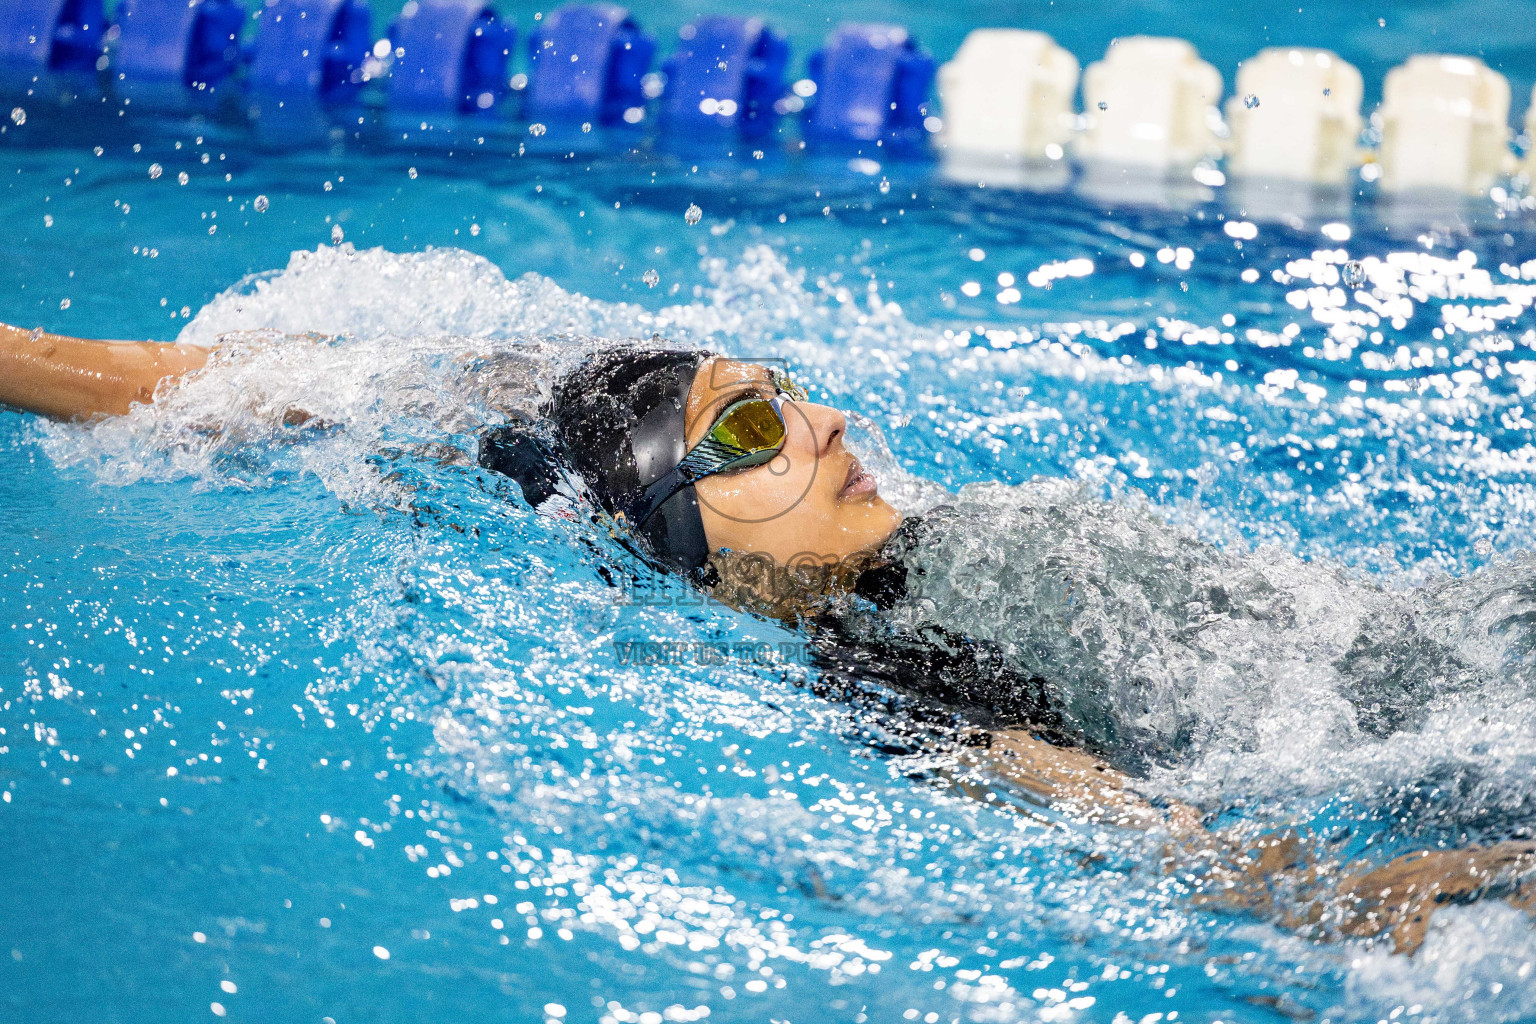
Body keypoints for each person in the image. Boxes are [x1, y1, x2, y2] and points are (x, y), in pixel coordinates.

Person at [3, 318, 1534, 954]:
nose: (830, 421)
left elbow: (338, 387)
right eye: (756, 426)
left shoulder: (900, 564)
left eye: (785, 392)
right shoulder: (898, 667)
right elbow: (1177, 855)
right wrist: (1363, 899)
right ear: (685, 534)